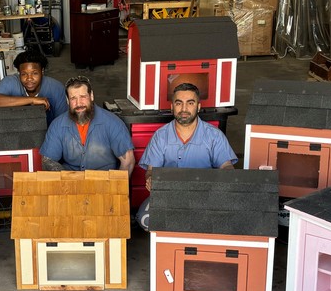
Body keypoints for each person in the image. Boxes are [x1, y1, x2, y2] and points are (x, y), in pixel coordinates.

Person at [135, 82, 237, 230]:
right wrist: (150, 178)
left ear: (198, 107)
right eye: (179, 103)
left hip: (205, 196)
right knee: (146, 219)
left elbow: (226, 165)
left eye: (190, 103)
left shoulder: (214, 135)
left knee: (221, 221)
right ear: (172, 107)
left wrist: (227, 177)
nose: (184, 109)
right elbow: (151, 170)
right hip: (169, 195)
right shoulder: (160, 136)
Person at [39, 76, 135, 175]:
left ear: (91, 96)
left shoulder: (112, 123)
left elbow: (128, 162)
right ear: (67, 100)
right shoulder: (58, 125)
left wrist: (116, 184)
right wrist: (67, 179)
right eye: (73, 98)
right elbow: (47, 160)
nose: (78, 103)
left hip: (104, 181)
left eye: (83, 97)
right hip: (70, 181)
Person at [0, 49, 68, 126]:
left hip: (48, 130)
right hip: (15, 128)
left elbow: (62, 122)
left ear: (42, 71)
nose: (29, 78)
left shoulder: (56, 88)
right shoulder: (10, 81)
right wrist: (32, 100)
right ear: (19, 73)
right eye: (24, 74)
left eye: (35, 73)